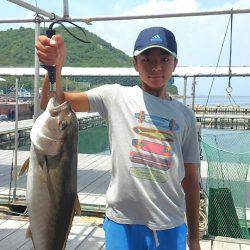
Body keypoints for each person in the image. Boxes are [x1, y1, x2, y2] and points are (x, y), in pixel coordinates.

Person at [36, 26, 201, 250]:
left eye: (164, 58)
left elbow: (191, 179)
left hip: (170, 223)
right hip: (122, 222)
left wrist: (194, 239)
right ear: (135, 63)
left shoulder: (185, 116)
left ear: (175, 63)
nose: (156, 66)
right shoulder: (115, 96)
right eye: (146, 59)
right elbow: (53, 103)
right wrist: (55, 68)